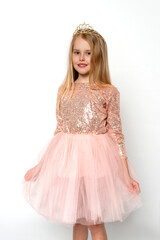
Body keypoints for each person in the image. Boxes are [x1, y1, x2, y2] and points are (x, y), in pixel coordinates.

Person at [21, 22, 143, 240]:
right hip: (69, 164)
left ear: (99, 57)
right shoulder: (64, 90)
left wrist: (126, 175)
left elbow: (117, 133)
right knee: (78, 219)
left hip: (97, 162)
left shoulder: (108, 92)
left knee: (95, 222)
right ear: (71, 55)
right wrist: (40, 167)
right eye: (77, 52)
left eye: (88, 53)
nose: (82, 58)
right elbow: (60, 129)